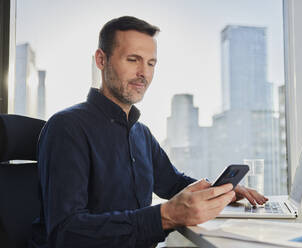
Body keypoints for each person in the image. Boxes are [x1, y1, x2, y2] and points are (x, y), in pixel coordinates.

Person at [31, 16, 268, 248]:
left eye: (151, 63)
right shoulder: (67, 128)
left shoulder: (140, 133)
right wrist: (164, 217)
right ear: (101, 60)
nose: (144, 72)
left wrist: (219, 190)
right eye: (133, 59)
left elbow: (173, 182)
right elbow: (65, 233)